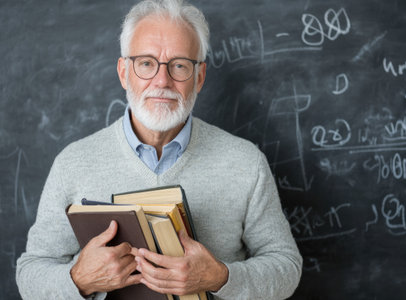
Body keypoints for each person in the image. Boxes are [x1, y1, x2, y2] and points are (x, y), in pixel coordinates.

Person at [16, 0, 302, 299]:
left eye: (179, 65)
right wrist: (79, 280)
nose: (162, 81)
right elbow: (30, 273)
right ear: (124, 71)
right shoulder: (72, 163)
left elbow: (286, 266)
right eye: (146, 63)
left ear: (200, 77)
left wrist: (219, 276)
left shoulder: (246, 162)